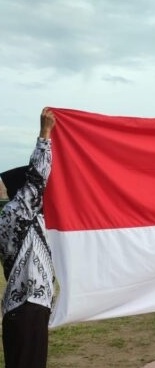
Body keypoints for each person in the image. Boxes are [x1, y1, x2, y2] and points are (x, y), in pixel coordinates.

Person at [0, 108, 56, 368]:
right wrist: (45, 134)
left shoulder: (14, 217)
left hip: (22, 308)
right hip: (28, 306)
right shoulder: (17, 212)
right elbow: (37, 179)